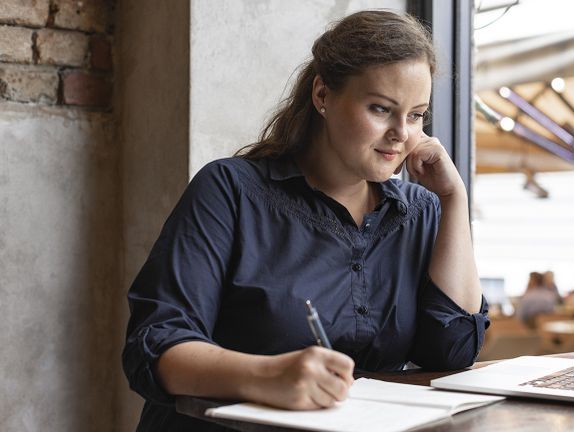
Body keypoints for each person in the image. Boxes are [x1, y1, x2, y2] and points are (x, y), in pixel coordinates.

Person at [121, 10, 488, 431]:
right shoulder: (230, 190)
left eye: (416, 115)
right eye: (381, 109)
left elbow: (454, 351)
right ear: (322, 96)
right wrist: (267, 376)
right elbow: (153, 345)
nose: (402, 134)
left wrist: (453, 198)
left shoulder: (420, 211)